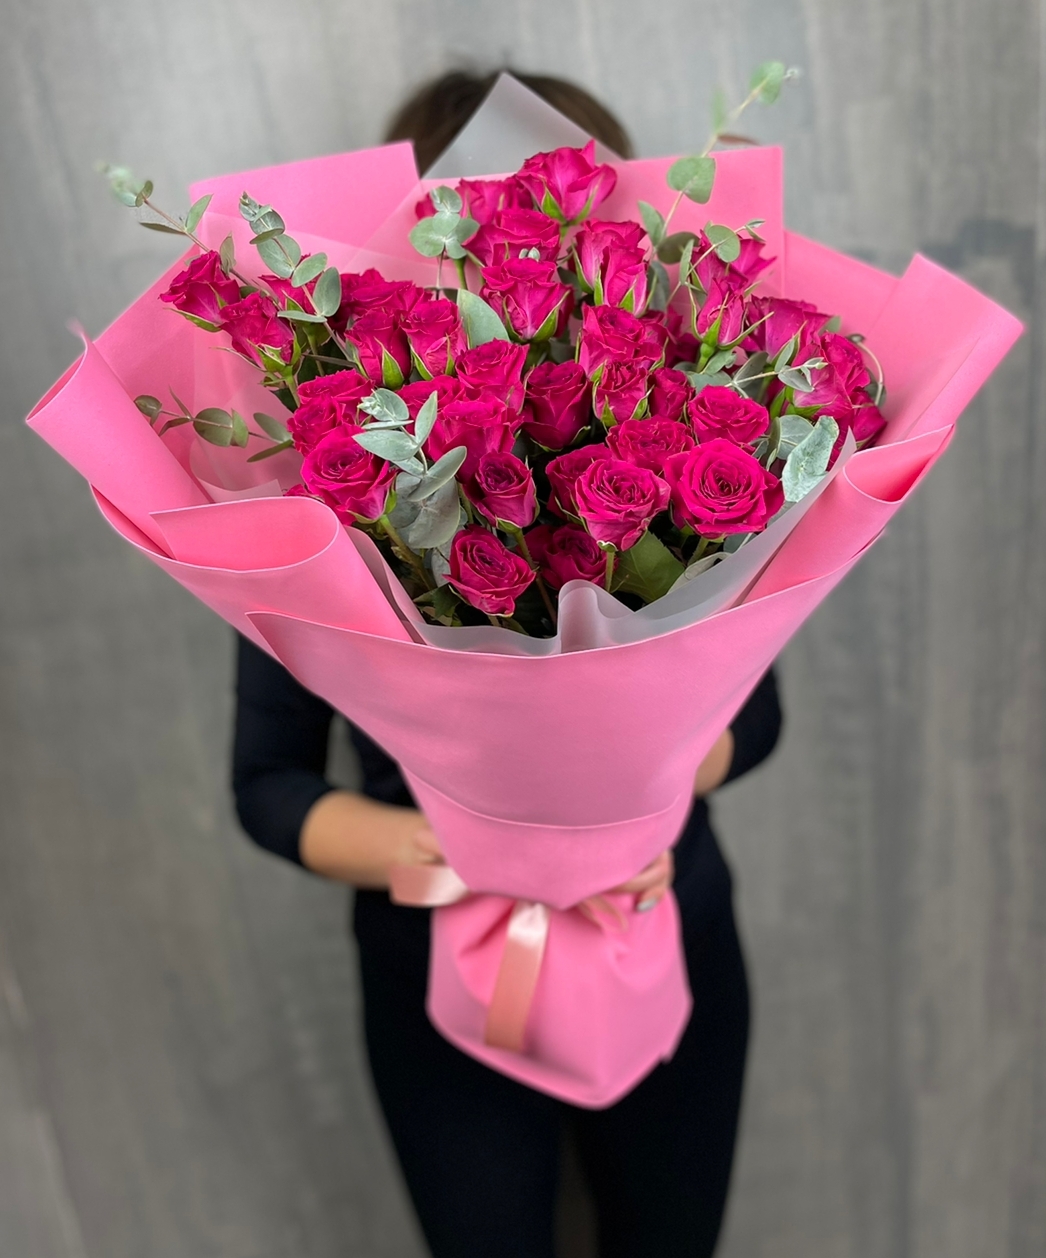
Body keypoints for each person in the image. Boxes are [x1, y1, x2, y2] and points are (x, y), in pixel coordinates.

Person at [232, 70, 783, 1258]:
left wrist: (633, 812)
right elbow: (265, 786)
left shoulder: (671, 459)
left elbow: (760, 714)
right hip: (433, 962)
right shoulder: (325, 514)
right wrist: (447, 851)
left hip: (664, 919)